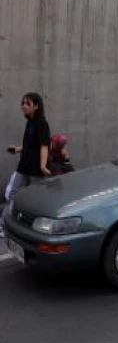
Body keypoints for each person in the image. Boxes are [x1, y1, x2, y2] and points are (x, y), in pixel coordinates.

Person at [2, 93, 51, 238]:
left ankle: (38, 229)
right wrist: (17, 149)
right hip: (24, 167)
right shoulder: (29, 122)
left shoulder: (41, 123)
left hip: (36, 170)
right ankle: (6, 225)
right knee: (12, 194)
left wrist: (42, 165)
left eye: (27, 103)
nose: (23, 106)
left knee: (38, 201)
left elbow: (44, 146)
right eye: (22, 103)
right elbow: (31, 145)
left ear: (36, 106)